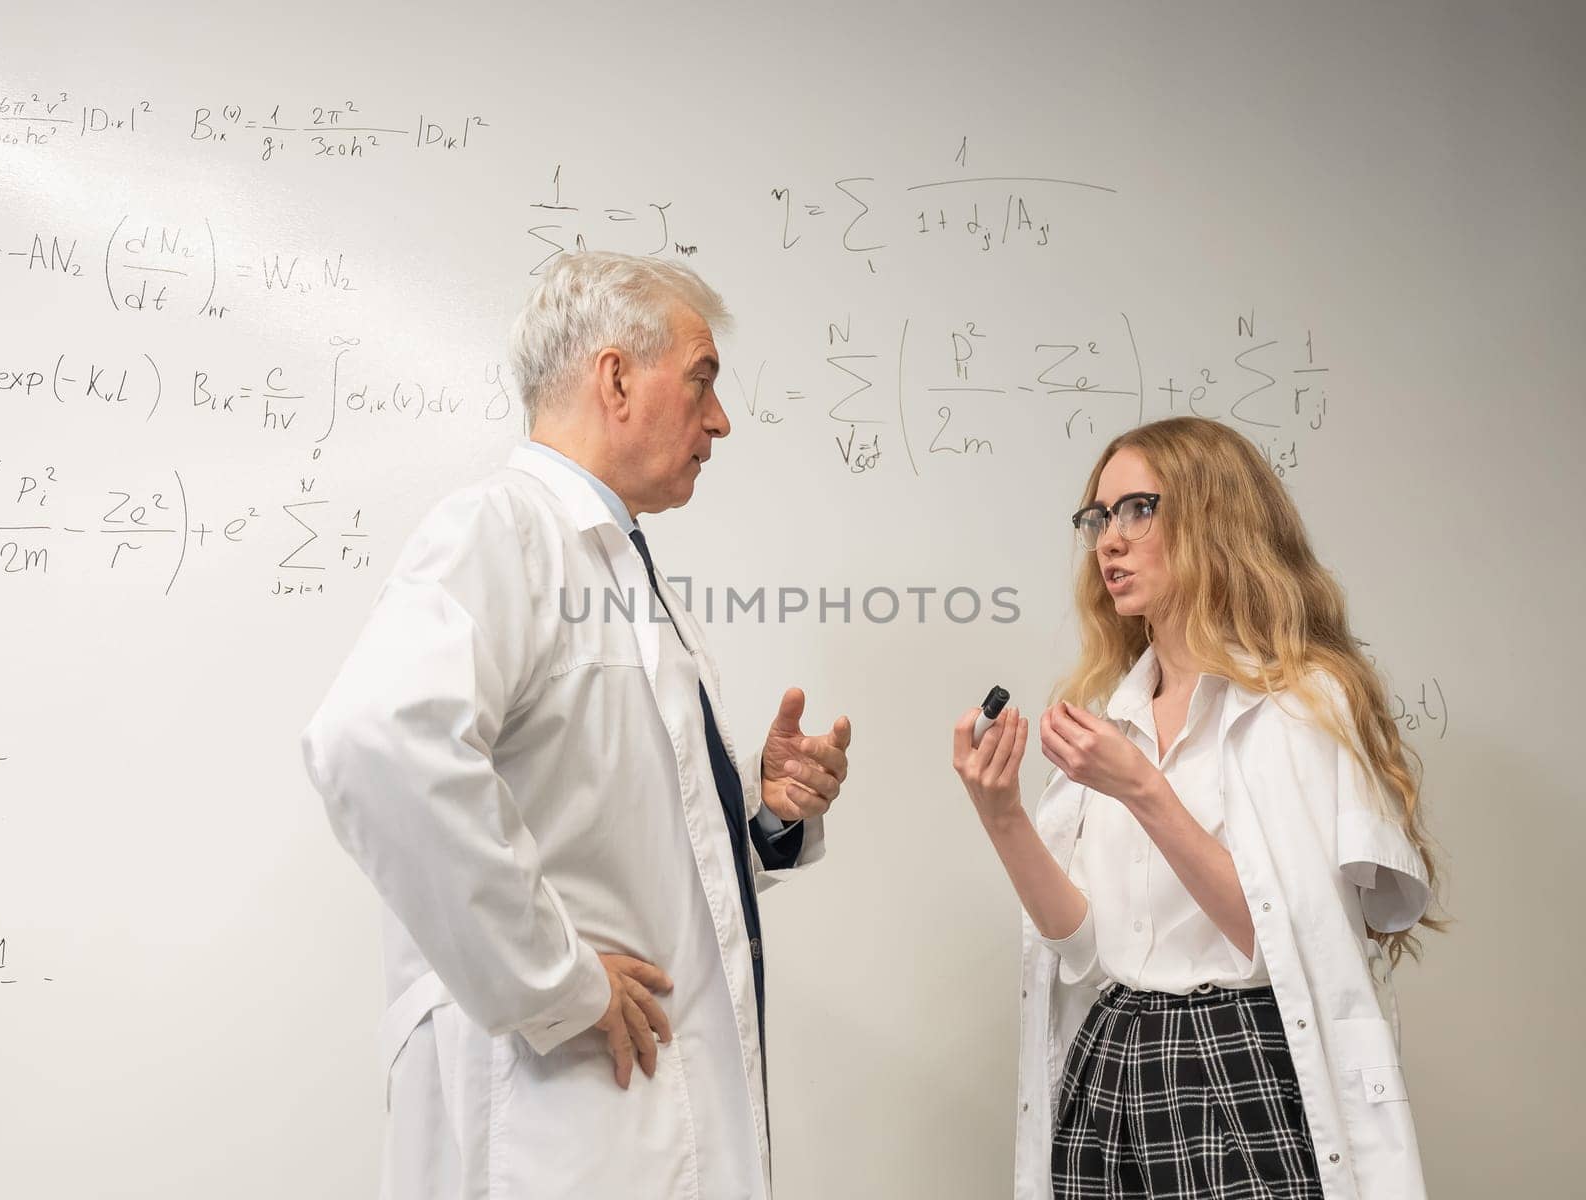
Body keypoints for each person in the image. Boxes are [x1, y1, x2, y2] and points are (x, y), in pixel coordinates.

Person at [301, 251, 852, 1199]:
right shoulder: (500, 531)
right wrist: (555, 982)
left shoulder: (619, 570)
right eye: (703, 380)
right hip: (557, 1116)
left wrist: (762, 815)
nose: (720, 420)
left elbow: (636, 845)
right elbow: (374, 739)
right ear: (616, 377)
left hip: (636, 1112)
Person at [952, 416, 1438, 1199]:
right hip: (1108, 1072)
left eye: (1138, 509)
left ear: (1216, 515)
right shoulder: (1111, 712)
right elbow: (1082, 947)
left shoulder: (1302, 703)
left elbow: (1276, 935)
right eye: (1098, 517)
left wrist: (1142, 788)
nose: (1110, 539)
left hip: (1236, 1066)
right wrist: (1000, 811)